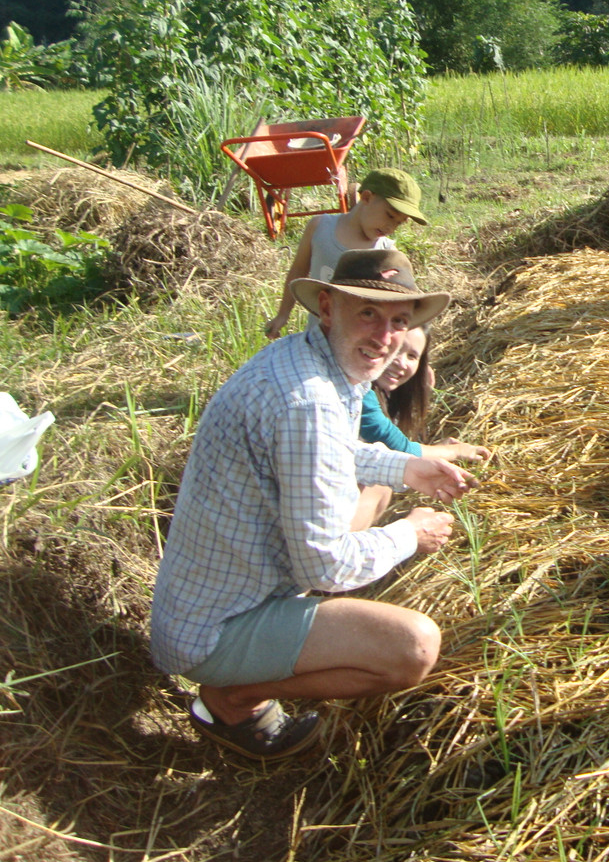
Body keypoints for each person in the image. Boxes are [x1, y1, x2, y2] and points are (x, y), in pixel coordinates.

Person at [150, 249, 480, 760]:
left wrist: (405, 467)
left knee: (376, 492)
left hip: (213, 601)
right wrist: (409, 535)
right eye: (366, 312)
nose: (385, 337)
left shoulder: (306, 362)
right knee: (412, 646)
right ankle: (232, 699)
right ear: (327, 308)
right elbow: (324, 564)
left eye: (398, 320)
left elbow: (330, 450)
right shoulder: (309, 401)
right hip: (217, 628)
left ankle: (244, 681)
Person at [264, 168, 429, 340]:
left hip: (359, 347)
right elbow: (298, 270)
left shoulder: (387, 254)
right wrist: (283, 314)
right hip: (317, 339)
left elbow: (400, 306)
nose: (391, 228)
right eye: (389, 215)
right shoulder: (320, 228)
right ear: (366, 197)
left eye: (399, 223)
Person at [362, 325, 491, 464]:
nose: (401, 363)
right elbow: (398, 449)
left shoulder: (387, 393)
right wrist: (454, 452)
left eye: (412, 356)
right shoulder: (360, 391)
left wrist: (434, 451)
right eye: (396, 349)